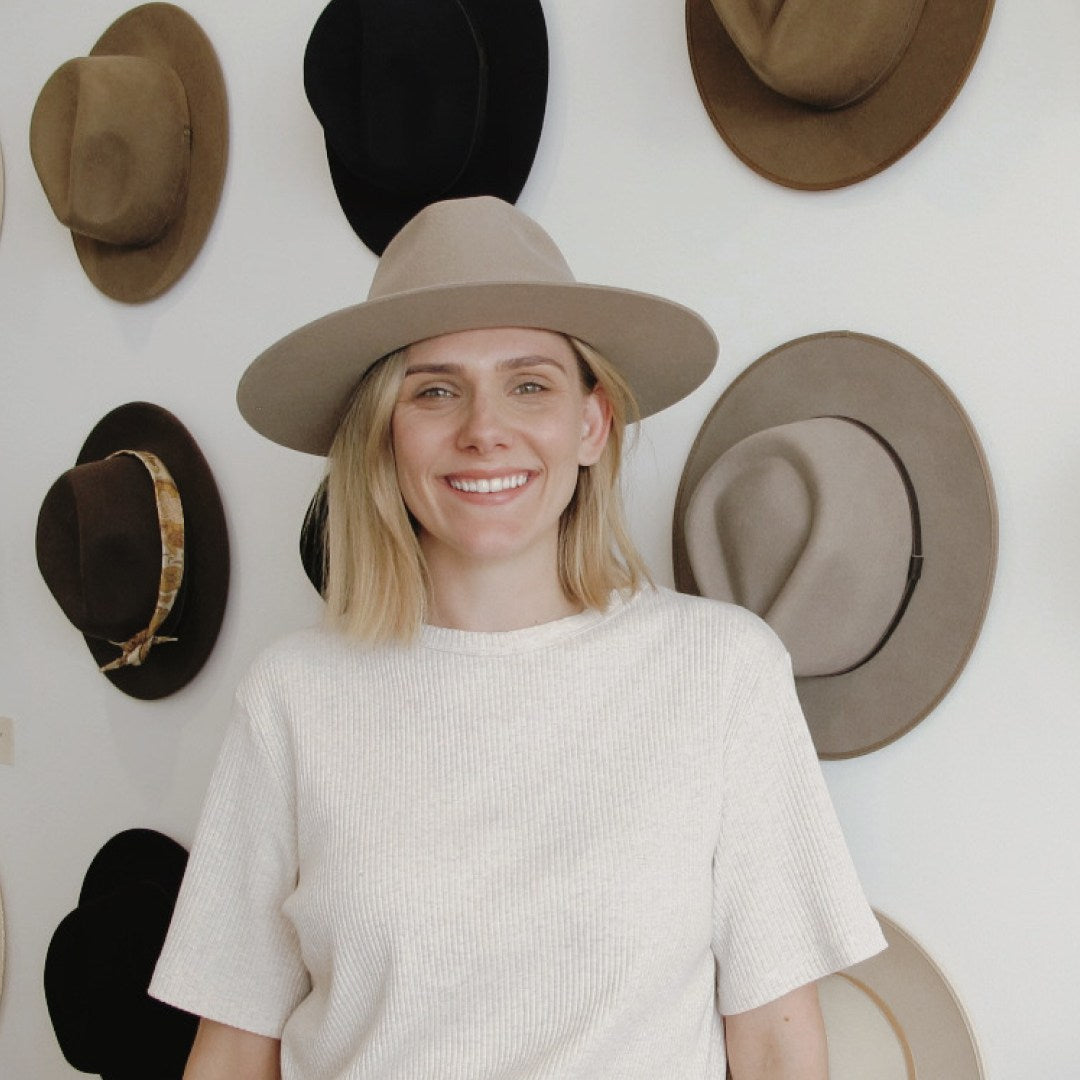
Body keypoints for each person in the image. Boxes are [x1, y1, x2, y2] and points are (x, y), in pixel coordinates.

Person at [150, 196, 886, 1079]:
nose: (483, 428)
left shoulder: (721, 672)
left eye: (529, 383)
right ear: (384, 436)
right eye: (434, 390)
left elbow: (773, 1040)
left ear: (591, 422)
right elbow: (233, 1048)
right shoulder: (294, 695)